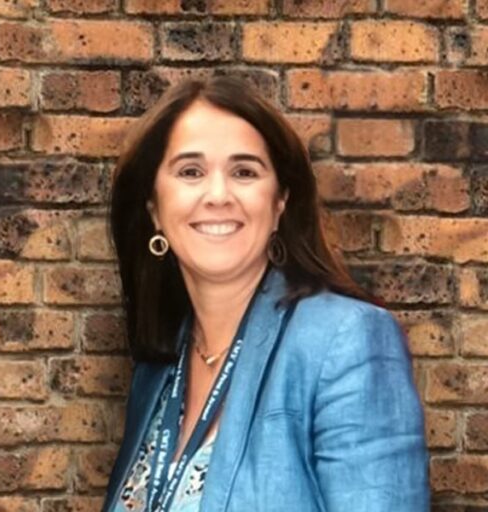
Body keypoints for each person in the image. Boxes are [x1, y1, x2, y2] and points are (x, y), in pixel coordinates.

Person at [103, 76, 429, 512]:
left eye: (244, 172)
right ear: (154, 209)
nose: (218, 195)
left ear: (279, 204)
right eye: (190, 171)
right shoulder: (158, 372)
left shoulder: (346, 340)